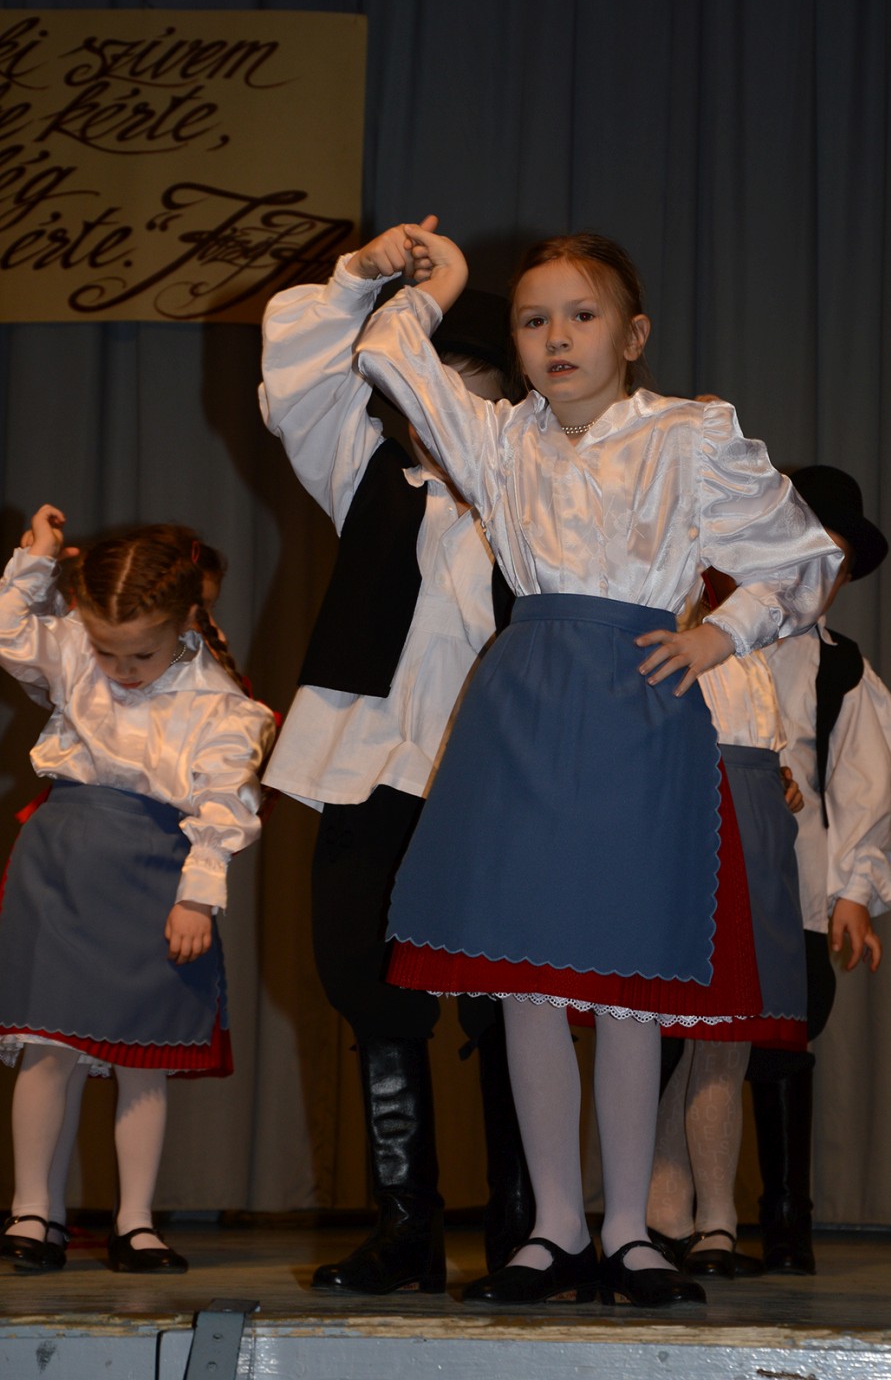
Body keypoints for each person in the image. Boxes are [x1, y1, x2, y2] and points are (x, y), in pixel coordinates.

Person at [353, 223, 843, 1308]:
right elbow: (387, 351)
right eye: (535, 321)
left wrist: (722, 635)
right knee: (527, 984)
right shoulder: (497, 440)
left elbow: (805, 558)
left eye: (582, 316)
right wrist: (439, 283)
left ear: (633, 333)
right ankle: (554, 1231)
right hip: (524, 708)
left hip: (637, 708)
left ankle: (630, 1231)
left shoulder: (687, 434)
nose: (557, 337)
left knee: (627, 983)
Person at [259, 222, 532, 1296]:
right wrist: (361, 277)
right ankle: (406, 1229)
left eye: (460, 393)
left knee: (509, 999)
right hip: (368, 769)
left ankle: (527, 1228)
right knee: (363, 981)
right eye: (416, 393)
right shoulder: (366, 476)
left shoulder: (537, 499)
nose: (433, 414)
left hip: (496, 781)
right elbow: (298, 379)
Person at [0, 507, 276, 1275]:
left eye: (141, 653)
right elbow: (11, 633)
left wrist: (198, 896)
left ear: (187, 620)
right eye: (106, 650)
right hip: (62, 866)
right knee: (48, 1046)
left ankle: (135, 1222)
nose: (120, 668)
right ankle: (33, 1211)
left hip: (154, 874)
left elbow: (226, 804)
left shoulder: (220, 704)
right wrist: (33, 563)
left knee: (141, 1054)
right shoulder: (73, 650)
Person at [753, 464, 891, 1274]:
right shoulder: (713, 637)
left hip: (798, 888)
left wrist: (855, 890)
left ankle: (787, 1224)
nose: (823, 576)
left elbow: (867, 779)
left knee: (785, 1039)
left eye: (840, 565)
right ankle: (682, 1222)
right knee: (685, 1044)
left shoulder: (840, 667)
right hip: (706, 880)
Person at [647, 571, 807, 1281]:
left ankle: (668, 1214)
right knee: (716, 1027)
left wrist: (778, 778)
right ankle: (712, 1221)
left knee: (717, 1033)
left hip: (754, 802)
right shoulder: (676, 601)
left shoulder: (752, 613)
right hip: (702, 800)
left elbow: (758, 720)